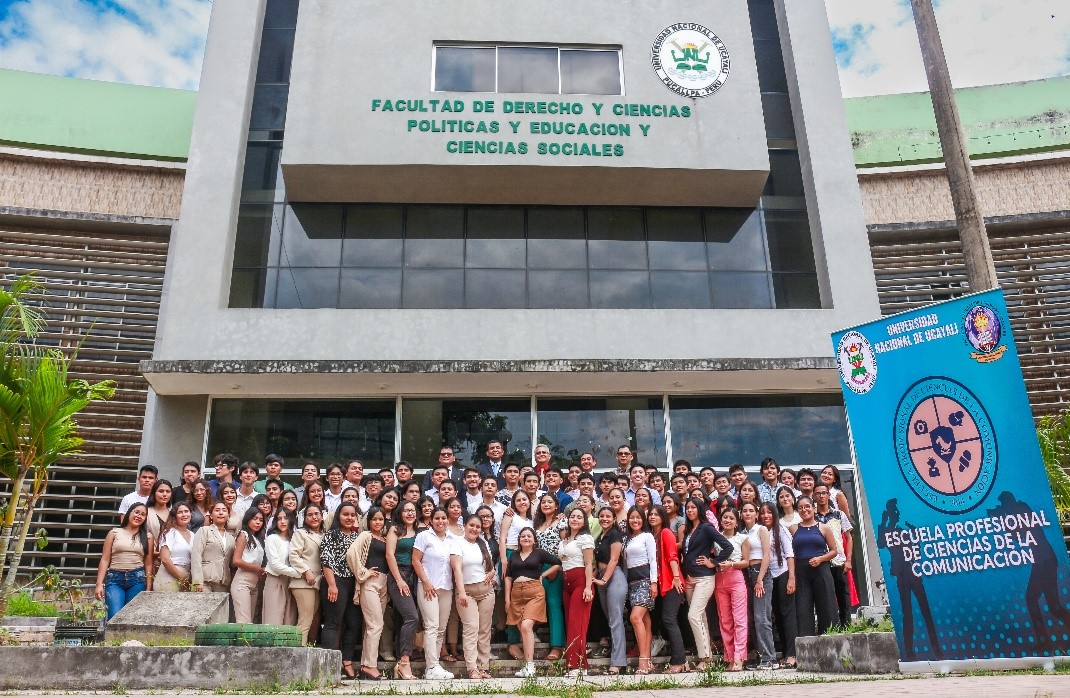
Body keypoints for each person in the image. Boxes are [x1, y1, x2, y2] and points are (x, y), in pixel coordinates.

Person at [680, 496, 733, 670]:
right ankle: (706, 657)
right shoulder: (688, 529)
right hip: (690, 579)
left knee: (693, 616)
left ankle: (706, 658)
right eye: (688, 508)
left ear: (700, 509)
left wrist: (714, 562)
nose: (690, 510)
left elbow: (728, 547)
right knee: (700, 617)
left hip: (704, 578)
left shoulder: (706, 527)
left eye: (693, 507)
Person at [505, 527, 561, 678]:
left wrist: (543, 575)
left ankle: (530, 665)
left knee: (526, 626)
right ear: (519, 539)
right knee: (523, 630)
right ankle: (527, 665)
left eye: (529, 536)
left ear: (534, 540)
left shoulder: (539, 553)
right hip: (516, 594)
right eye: (523, 536)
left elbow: (557, 563)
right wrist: (507, 599)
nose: (526, 538)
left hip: (534, 592)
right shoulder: (514, 555)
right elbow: (508, 576)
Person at [451, 513, 497, 679]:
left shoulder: (482, 542)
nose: (475, 529)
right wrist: (461, 592)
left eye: (478, 527)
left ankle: (483, 667)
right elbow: (457, 568)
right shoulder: (457, 543)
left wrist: (492, 574)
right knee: (471, 628)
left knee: (484, 630)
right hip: (466, 591)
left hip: (486, 591)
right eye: (472, 525)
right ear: (465, 526)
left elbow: (491, 567)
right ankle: (472, 668)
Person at [412, 508, 456, 680]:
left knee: (441, 628)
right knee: (431, 625)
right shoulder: (424, 536)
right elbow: (416, 560)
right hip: (428, 587)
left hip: (446, 587)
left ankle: (435, 664)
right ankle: (431, 666)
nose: (440, 521)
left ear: (448, 520)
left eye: (443, 518)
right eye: (437, 518)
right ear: (431, 520)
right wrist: (425, 581)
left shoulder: (452, 539)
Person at [320, 502, 361, 679]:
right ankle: (328, 666)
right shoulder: (331, 535)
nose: (349, 518)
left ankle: (347, 662)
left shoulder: (356, 537)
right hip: (335, 582)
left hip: (353, 583)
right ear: (338, 516)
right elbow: (326, 561)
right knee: (332, 623)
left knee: (354, 624)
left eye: (352, 515)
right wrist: (332, 585)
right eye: (345, 514)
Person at [348, 506, 390, 681]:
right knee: (375, 624)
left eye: (381, 519)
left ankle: (367, 664)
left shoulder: (386, 538)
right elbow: (351, 554)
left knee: (372, 626)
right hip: (370, 583)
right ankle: (370, 666)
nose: (378, 522)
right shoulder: (366, 535)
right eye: (375, 519)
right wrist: (363, 572)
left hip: (384, 583)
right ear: (369, 521)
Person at [790, 496, 839, 639]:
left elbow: (834, 551)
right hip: (801, 572)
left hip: (821, 570)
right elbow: (790, 553)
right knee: (803, 609)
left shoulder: (823, 527)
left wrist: (821, 559)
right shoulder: (793, 529)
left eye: (807, 506)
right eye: (800, 508)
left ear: (813, 508)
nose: (804, 510)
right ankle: (807, 644)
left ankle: (830, 641)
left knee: (826, 607)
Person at [96, 502, 153, 619]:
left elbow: (148, 563)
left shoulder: (148, 537)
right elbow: (105, 559)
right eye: (136, 512)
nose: (139, 516)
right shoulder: (114, 533)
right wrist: (99, 584)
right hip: (115, 579)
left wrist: (148, 587)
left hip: (137, 579)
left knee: (131, 618)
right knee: (114, 616)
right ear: (129, 513)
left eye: (143, 514)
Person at [648, 505, 687, 673]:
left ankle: (679, 661)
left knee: (669, 619)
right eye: (650, 514)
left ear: (663, 517)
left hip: (672, 582)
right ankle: (680, 660)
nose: (652, 517)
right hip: (662, 583)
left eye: (656, 514)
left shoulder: (666, 532)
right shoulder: (653, 535)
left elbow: (672, 556)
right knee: (666, 620)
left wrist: (676, 577)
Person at [386, 501, 422, 680]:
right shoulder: (395, 530)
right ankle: (405, 663)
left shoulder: (420, 532)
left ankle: (400, 661)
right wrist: (399, 580)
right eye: (406, 510)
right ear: (400, 513)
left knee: (403, 619)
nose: (410, 513)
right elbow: (389, 555)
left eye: (412, 510)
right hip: (398, 575)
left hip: (415, 576)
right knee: (411, 617)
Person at [759, 502, 797, 669]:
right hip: (768, 577)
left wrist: (791, 578)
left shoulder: (780, 530)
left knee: (787, 614)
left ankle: (792, 654)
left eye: (769, 512)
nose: (766, 516)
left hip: (782, 574)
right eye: (763, 513)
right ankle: (785, 651)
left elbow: (790, 554)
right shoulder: (760, 531)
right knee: (777, 616)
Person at [558, 507, 595, 677]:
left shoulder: (585, 538)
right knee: (570, 623)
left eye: (579, 517)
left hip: (581, 581)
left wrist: (587, 587)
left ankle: (576, 665)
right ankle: (578, 665)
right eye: (572, 516)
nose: (575, 519)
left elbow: (588, 564)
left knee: (576, 624)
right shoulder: (564, 539)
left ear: (584, 521)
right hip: (566, 583)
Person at [741, 501, 776, 670]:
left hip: (761, 572)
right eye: (744, 511)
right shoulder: (742, 533)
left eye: (751, 511)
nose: (747, 513)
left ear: (756, 514)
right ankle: (760, 657)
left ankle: (770, 659)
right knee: (752, 619)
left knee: (762, 617)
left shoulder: (761, 529)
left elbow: (767, 555)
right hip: (747, 573)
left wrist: (760, 579)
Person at [621, 507, 657, 674]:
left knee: (635, 618)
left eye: (638, 517)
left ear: (643, 519)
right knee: (645, 621)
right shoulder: (627, 539)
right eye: (632, 517)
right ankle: (648, 661)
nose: (635, 520)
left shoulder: (647, 536)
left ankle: (643, 661)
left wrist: (654, 582)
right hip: (631, 582)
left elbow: (653, 560)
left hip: (645, 581)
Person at [813, 483, 854, 628]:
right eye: (818, 493)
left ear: (829, 495)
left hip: (839, 561)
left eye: (824, 493)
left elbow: (849, 537)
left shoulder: (839, 514)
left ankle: (846, 627)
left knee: (843, 596)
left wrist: (848, 560)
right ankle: (830, 628)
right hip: (822, 562)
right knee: (825, 598)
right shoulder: (812, 516)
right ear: (814, 496)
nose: (821, 496)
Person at [714, 507, 750, 672]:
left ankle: (739, 658)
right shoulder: (716, 538)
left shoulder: (742, 538)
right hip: (719, 579)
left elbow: (746, 562)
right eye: (725, 517)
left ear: (736, 522)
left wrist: (732, 564)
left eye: (731, 518)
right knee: (725, 620)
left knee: (739, 619)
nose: (727, 520)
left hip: (736, 578)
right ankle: (729, 657)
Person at [592, 506, 626, 675]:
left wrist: (604, 580)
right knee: (610, 618)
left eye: (608, 516)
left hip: (614, 577)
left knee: (615, 619)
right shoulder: (600, 537)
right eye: (602, 516)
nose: (604, 519)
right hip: (601, 577)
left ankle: (617, 663)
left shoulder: (615, 534)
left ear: (614, 519)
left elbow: (614, 559)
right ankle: (617, 656)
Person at [533, 492, 565, 661]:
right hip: (538, 566)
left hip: (555, 566)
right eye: (543, 502)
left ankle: (557, 646)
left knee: (554, 605)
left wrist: (557, 567)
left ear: (556, 505)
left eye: (550, 502)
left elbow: (565, 545)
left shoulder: (561, 522)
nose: (546, 504)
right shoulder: (537, 524)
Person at [289, 504, 324, 645]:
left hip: (317, 582)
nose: (314, 517)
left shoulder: (324, 535)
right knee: (305, 621)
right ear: (304, 518)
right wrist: (306, 571)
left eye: (316, 514)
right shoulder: (300, 533)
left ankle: (305, 648)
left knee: (311, 620)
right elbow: (293, 555)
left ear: (322, 516)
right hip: (303, 583)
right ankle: (299, 652)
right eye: (310, 515)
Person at [264, 508, 300, 626]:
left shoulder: (294, 539)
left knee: (290, 620)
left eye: (286, 518)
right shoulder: (272, 538)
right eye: (279, 519)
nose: (283, 522)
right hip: (275, 580)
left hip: (291, 583)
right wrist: (299, 573)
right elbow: (275, 565)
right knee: (273, 621)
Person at [231, 508, 267, 624]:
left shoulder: (256, 539)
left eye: (261, 520)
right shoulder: (243, 534)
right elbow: (236, 560)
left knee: (250, 622)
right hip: (242, 582)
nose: (258, 522)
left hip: (254, 583)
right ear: (248, 519)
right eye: (255, 519)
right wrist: (257, 569)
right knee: (244, 621)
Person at [191, 501, 235, 592]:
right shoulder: (204, 531)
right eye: (217, 510)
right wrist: (197, 581)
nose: (221, 513)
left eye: (224, 510)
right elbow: (196, 555)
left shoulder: (231, 538)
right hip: (205, 581)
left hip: (223, 582)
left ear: (228, 516)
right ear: (211, 515)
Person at [155, 502, 194, 592]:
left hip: (186, 575)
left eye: (186, 511)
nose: (184, 515)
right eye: (180, 512)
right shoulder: (170, 532)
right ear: (174, 516)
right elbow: (165, 559)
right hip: (169, 575)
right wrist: (182, 578)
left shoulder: (193, 535)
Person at [144, 478, 173, 545]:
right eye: (161, 491)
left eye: (168, 491)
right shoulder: (146, 512)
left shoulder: (174, 513)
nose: (165, 494)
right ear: (154, 493)